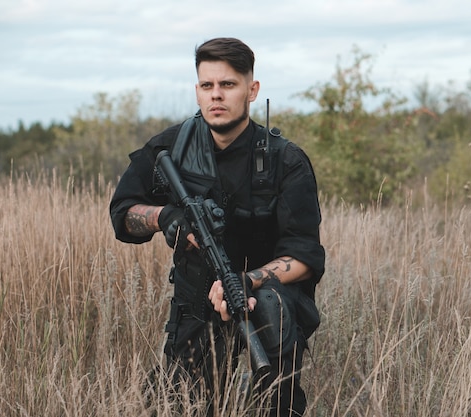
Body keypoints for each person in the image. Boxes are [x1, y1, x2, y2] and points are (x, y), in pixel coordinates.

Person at [110, 37, 325, 416]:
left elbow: (305, 256)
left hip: (266, 296)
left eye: (228, 85)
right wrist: (166, 218)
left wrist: (249, 280)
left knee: (276, 396)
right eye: (207, 86)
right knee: (178, 405)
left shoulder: (284, 160)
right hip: (196, 298)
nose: (217, 96)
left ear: (251, 90)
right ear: (197, 92)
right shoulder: (170, 148)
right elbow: (123, 213)